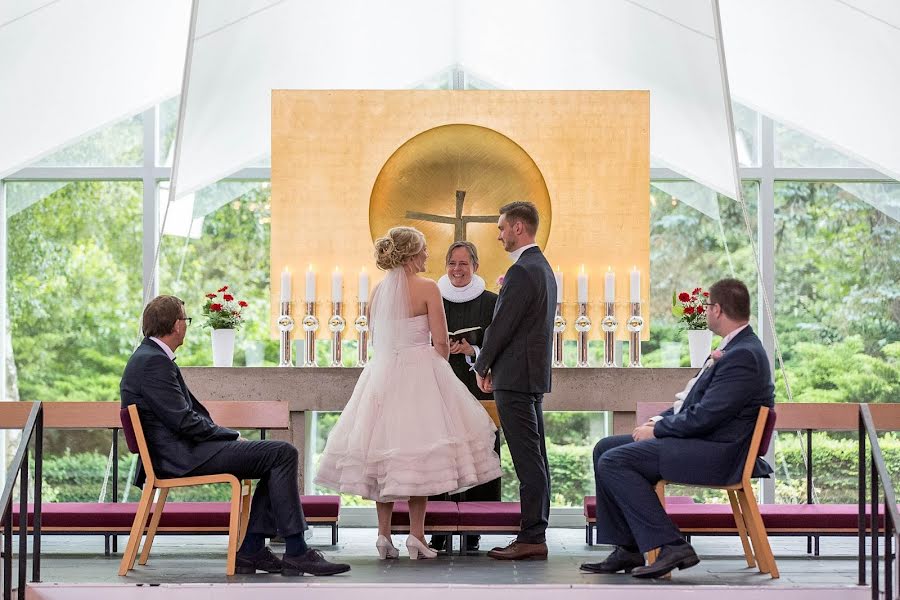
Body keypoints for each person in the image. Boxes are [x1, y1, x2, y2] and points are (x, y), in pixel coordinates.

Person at [120, 295, 350, 576]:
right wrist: (229, 436)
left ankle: (254, 550)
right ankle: (296, 551)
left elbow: (181, 419)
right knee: (282, 453)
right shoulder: (153, 362)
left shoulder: (149, 357)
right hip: (182, 457)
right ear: (175, 325)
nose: (187, 325)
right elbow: (183, 421)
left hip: (181, 452)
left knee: (274, 458)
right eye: (186, 319)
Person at [314, 226, 501, 560]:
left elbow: (376, 338)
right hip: (420, 374)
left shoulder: (376, 292)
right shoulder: (428, 288)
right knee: (420, 456)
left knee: (382, 454)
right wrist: (435, 371)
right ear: (412, 254)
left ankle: (384, 537)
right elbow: (442, 343)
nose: (428, 255)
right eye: (424, 250)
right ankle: (416, 536)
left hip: (382, 374)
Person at [581, 278, 775, 579]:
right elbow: (695, 402)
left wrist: (658, 432)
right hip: (707, 443)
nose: (707, 311)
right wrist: (657, 421)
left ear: (718, 310)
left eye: (708, 306)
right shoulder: (735, 347)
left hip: (719, 453)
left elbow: (706, 417)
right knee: (606, 448)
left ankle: (670, 544)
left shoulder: (744, 356)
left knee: (616, 460)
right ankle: (629, 546)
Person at [473, 201, 556, 561]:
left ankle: (532, 536)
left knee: (527, 459)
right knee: (536, 456)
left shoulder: (523, 271)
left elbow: (502, 325)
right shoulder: (543, 268)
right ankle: (535, 530)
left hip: (515, 376)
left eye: (502, 227)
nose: (499, 234)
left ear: (519, 227)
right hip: (530, 374)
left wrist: (481, 365)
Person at [429, 241, 502, 554]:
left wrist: (472, 349)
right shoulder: (433, 297)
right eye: (452, 263)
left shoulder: (491, 302)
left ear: (475, 266)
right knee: (438, 452)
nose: (457, 270)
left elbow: (500, 343)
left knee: (475, 452)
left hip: (476, 386)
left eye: (464, 264)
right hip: (438, 385)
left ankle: (474, 527)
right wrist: (441, 346)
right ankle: (435, 526)